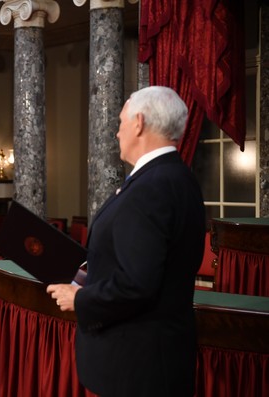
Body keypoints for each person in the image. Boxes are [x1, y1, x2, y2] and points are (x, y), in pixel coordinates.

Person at [47, 86, 205, 397]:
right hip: (157, 357)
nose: (117, 133)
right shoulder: (178, 177)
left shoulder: (151, 188)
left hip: (136, 364)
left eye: (120, 123)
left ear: (139, 123)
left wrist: (79, 298)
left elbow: (137, 284)